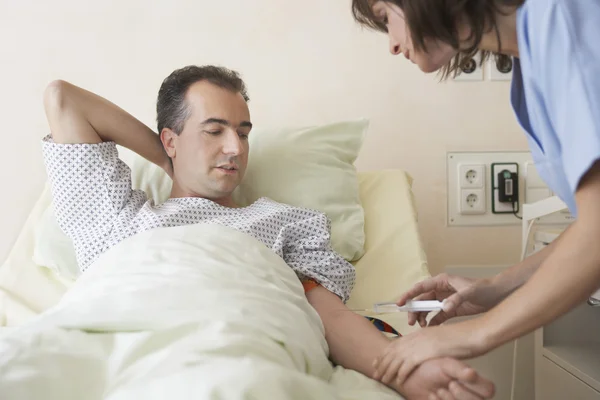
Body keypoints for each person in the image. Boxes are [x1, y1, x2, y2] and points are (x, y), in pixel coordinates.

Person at [37, 65, 495, 400]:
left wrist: (402, 373)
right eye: (213, 131)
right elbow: (63, 98)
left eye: (243, 132)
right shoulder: (118, 220)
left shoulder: (284, 222)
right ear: (170, 138)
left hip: (236, 346)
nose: (235, 148)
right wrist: (164, 159)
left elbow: (327, 317)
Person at [351, 0, 600, 389]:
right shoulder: (531, 64)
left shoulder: (563, 16)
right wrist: (495, 288)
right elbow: (593, 224)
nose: (392, 45)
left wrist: (471, 335)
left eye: (386, 18)